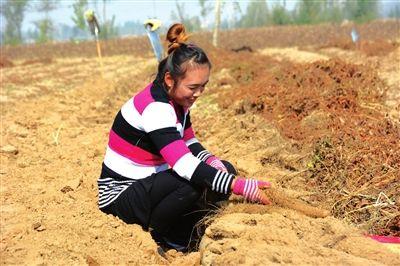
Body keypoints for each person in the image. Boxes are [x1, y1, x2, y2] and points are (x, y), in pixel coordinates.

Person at [97, 23, 271, 252]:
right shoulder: (156, 109)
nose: (198, 94)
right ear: (170, 80)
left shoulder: (177, 100)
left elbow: (189, 143)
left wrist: (215, 164)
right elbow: (183, 163)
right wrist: (237, 185)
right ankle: (164, 235)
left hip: (149, 181)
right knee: (193, 181)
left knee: (223, 168)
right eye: (193, 87)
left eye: (203, 86)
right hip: (121, 195)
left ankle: (192, 226)